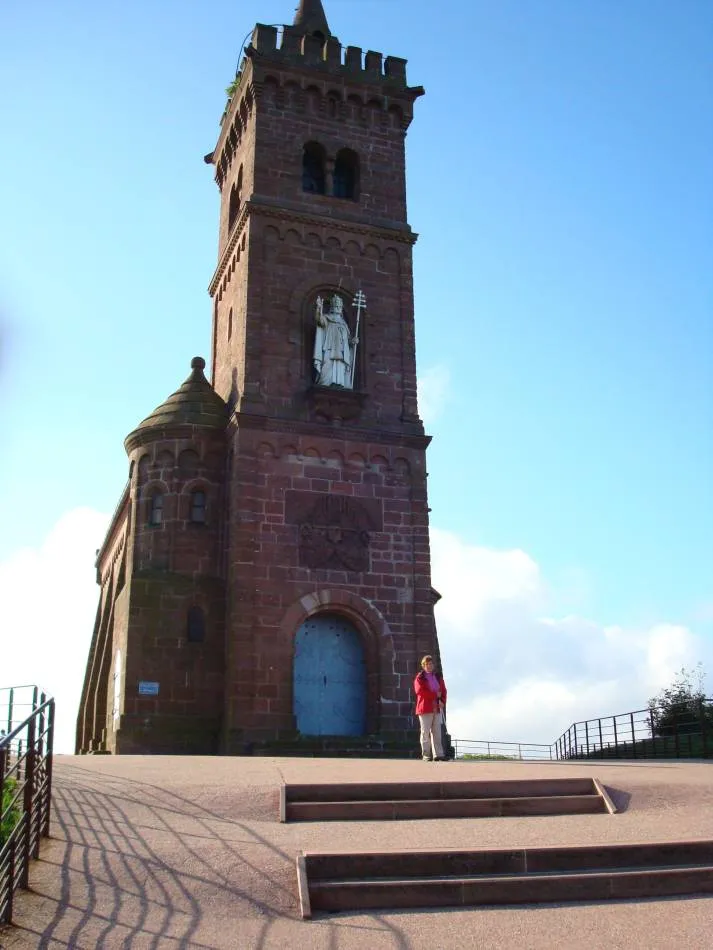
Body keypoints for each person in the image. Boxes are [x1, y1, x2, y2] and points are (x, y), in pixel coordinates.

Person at [313, 294, 357, 388]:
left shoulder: (343, 323)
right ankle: (324, 383)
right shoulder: (327, 318)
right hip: (329, 347)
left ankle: (340, 383)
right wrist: (319, 308)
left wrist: (352, 341)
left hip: (341, 351)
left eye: (339, 306)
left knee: (340, 367)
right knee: (327, 365)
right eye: (336, 306)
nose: (337, 308)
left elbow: (347, 339)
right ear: (332, 307)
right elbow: (319, 321)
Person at [414, 654, 447, 761]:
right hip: (425, 708)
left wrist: (442, 701)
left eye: (430, 664)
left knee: (437, 732)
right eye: (426, 664)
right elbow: (420, 691)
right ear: (423, 666)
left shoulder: (438, 677)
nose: (429, 666)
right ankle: (426, 755)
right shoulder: (420, 678)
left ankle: (439, 754)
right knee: (425, 733)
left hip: (436, 708)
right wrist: (435, 695)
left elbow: (443, 691)